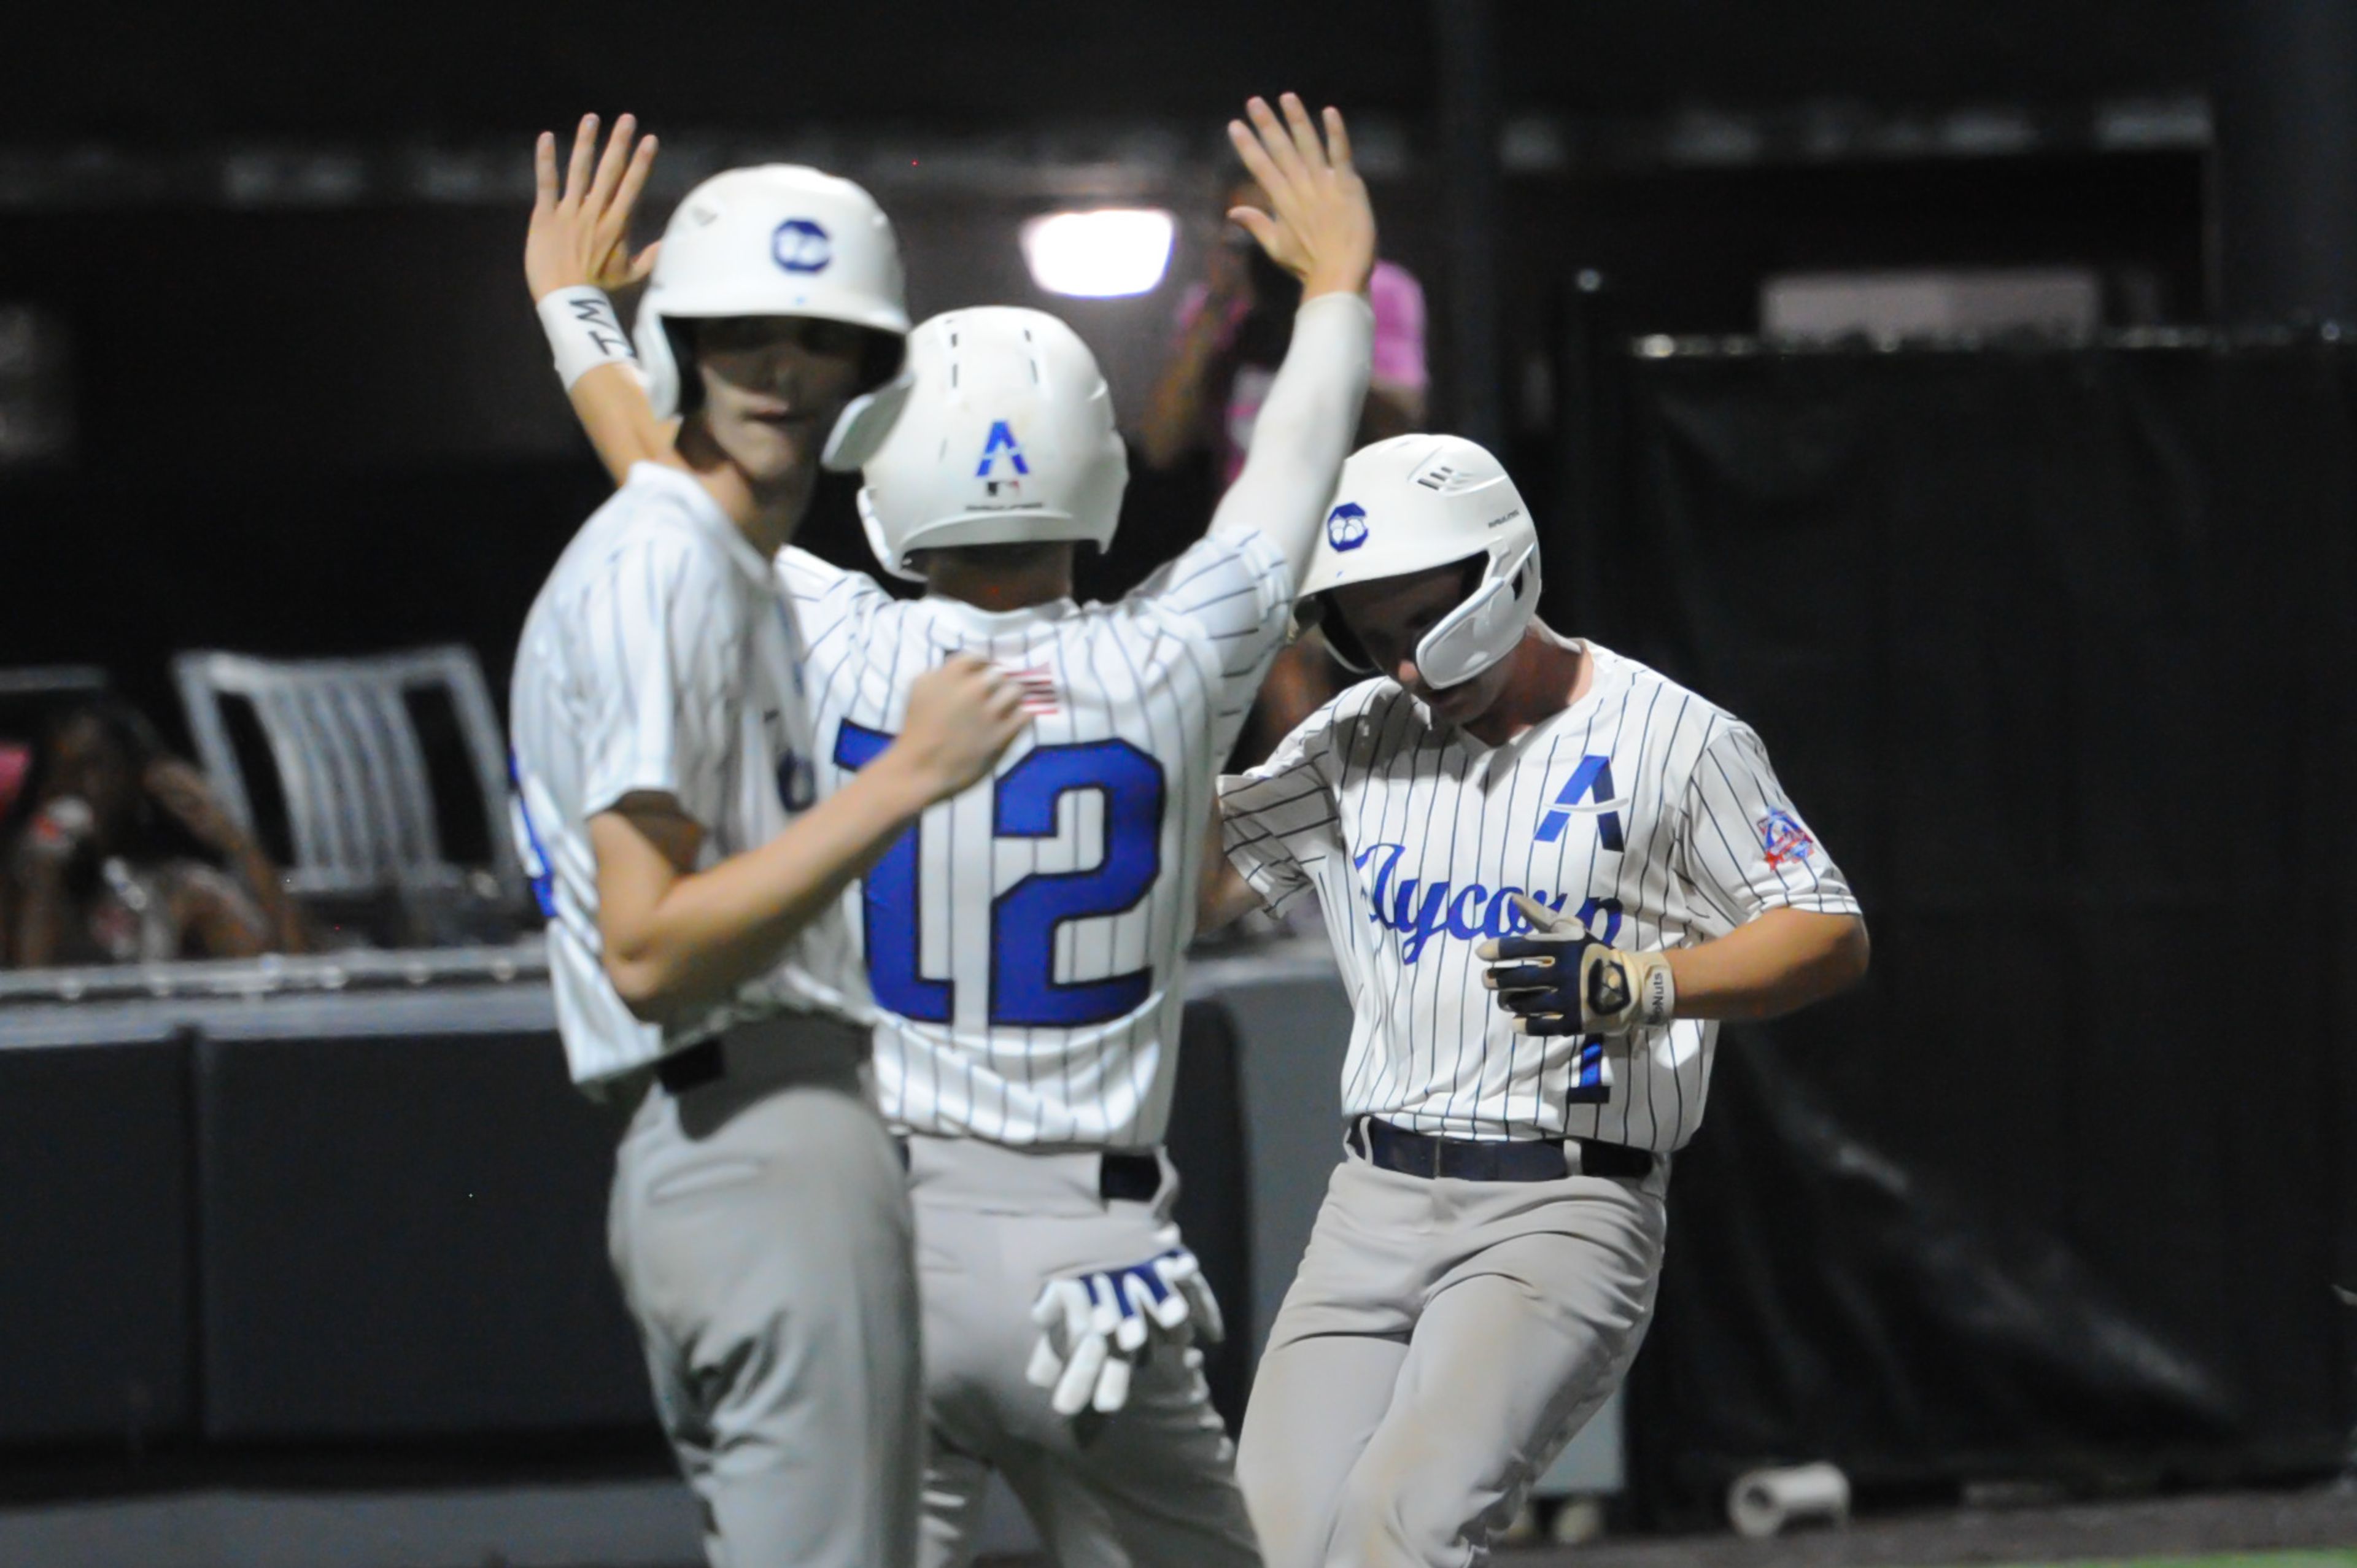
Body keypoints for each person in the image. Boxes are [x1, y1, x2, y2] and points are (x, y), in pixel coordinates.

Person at [525, 98, 1377, 1567]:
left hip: (881, 1234)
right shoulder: (1173, 662)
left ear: (887, 476)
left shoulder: (826, 635)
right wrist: (1339, 287)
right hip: (1090, 1259)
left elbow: (654, 479)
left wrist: (571, 308)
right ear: (1098, 472)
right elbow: (1290, 474)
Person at [1200, 433, 1871, 1567]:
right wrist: (1198, 690)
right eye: (1375, 637)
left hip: (1561, 1206)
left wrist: (1648, 983)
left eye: (1420, 622)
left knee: (1394, 1534)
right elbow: (1203, 892)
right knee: (1257, 1546)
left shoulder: (1677, 738)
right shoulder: (1357, 734)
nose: (1405, 665)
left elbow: (1829, 931)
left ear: (1501, 571)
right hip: (1371, 1198)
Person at [509, 122, 1032, 1568]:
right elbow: (650, 944)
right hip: (757, 1133)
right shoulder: (670, 568)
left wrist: (571, 316)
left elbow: (679, 467)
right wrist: (905, 780)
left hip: (725, 1143)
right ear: (689, 343)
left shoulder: (694, 547)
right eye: (739, 334)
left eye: (819, 336)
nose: (780, 367)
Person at [7, 698, 308, 966]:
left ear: (132, 777)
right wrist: (41, 881)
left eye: (96, 766)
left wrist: (238, 843)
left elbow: (285, 962)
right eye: (63, 771)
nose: (79, 787)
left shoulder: (180, 890)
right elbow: (30, 992)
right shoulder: (18, 887)